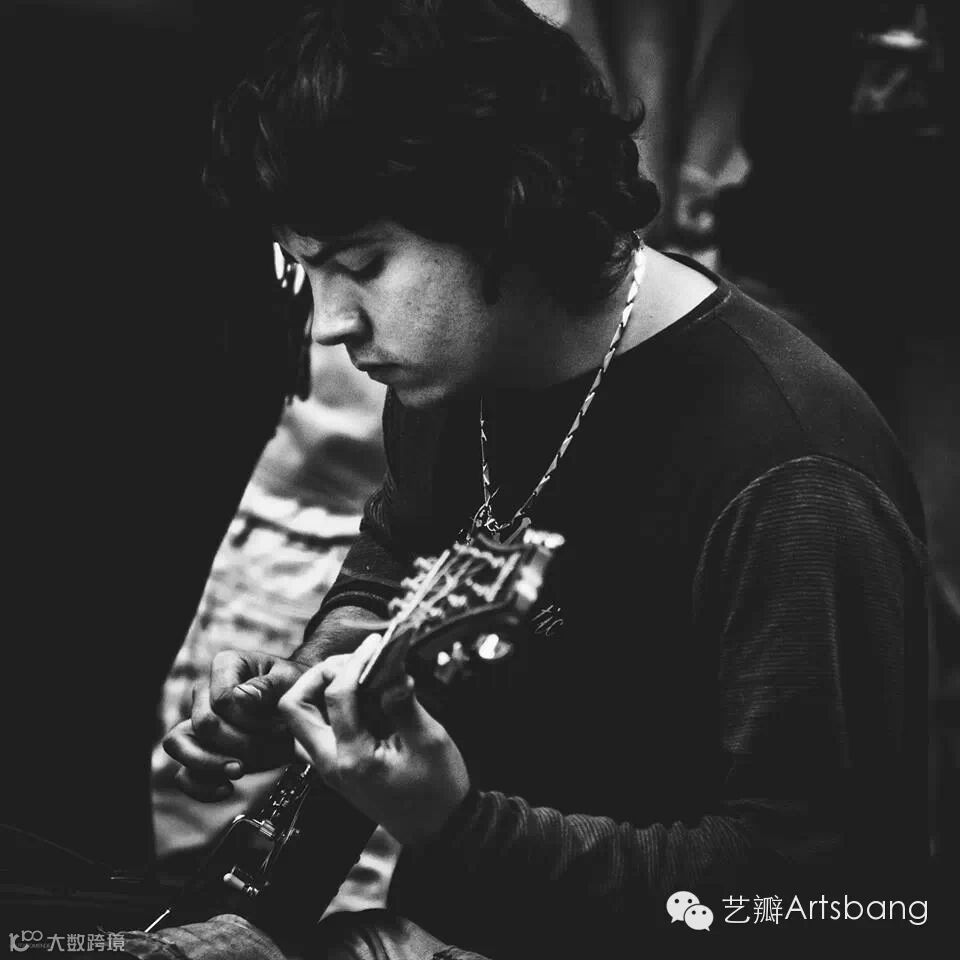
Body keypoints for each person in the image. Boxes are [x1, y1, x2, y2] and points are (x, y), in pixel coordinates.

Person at [123, 1, 930, 955]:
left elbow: (818, 893)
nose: (330, 326)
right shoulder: (457, 368)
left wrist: (459, 827)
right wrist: (327, 671)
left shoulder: (794, 479)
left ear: (505, 212)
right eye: (304, 271)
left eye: (363, 264)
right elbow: (396, 554)